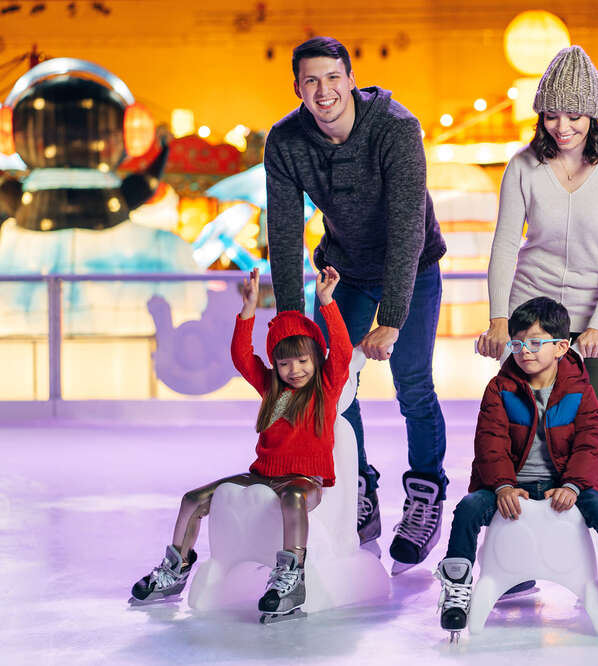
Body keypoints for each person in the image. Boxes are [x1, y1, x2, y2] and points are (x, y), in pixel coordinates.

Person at [264, 36, 448, 574]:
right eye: (310, 81)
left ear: (350, 78)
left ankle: (425, 492)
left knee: (413, 383)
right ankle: (359, 486)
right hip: (340, 271)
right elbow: (284, 228)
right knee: (336, 386)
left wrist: (391, 317)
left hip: (411, 267)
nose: (323, 91)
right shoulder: (286, 141)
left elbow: (408, 226)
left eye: (332, 78)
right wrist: (290, 318)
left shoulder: (394, 125)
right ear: (298, 87)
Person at [129, 266, 351, 622]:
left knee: (292, 498)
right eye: (284, 363)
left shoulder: (325, 387)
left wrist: (327, 302)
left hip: (304, 481)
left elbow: (340, 350)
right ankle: (175, 568)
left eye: (303, 361)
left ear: (315, 358)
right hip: (262, 476)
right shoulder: (270, 388)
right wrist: (247, 311)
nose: (294, 370)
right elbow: (241, 356)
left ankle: (292, 578)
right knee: (193, 499)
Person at [477, 45, 598, 498]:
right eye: (551, 115)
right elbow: (507, 243)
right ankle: (519, 534)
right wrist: (497, 317)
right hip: (533, 308)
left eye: (574, 114)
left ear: (593, 114)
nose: (562, 126)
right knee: (520, 421)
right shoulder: (523, 166)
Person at [436, 297, 598, 639]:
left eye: (536, 342)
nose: (525, 351)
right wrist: (503, 486)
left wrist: (574, 486)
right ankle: (457, 588)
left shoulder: (579, 389)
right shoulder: (499, 388)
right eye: (518, 343)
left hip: (566, 484)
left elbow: (590, 442)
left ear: (562, 347)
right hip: (508, 485)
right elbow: (490, 442)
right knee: (468, 508)